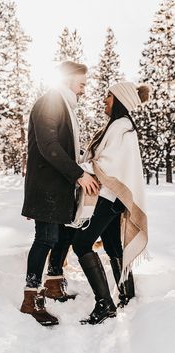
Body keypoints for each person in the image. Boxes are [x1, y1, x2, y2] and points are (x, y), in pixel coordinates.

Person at [20, 61, 99, 326]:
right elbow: (48, 145)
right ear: (67, 79)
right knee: (45, 238)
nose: (84, 89)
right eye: (82, 83)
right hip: (46, 188)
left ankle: (53, 284)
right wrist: (78, 174)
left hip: (60, 187)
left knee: (64, 234)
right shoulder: (51, 102)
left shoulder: (64, 105)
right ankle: (31, 298)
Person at [71, 81, 149, 325]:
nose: (104, 100)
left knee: (81, 243)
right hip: (114, 198)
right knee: (113, 245)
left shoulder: (122, 127)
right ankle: (127, 294)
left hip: (109, 196)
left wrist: (80, 169)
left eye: (108, 96)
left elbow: (109, 164)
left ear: (119, 99)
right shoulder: (119, 126)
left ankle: (105, 305)